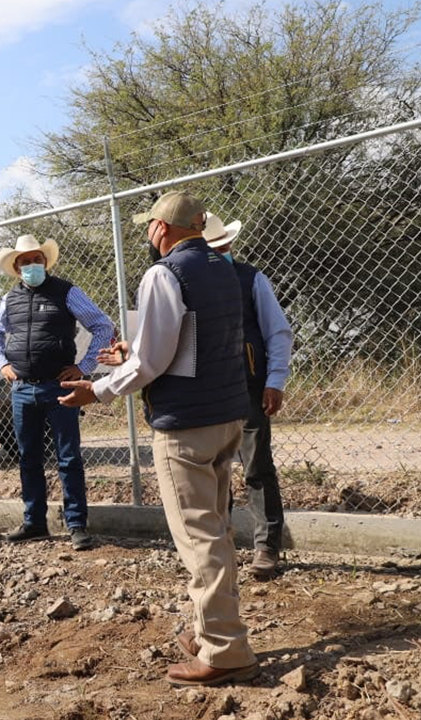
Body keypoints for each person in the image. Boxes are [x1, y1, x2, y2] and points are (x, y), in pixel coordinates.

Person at [58, 191, 259, 686]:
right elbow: (192, 343)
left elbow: (152, 363)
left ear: (160, 229)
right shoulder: (227, 271)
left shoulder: (163, 274)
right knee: (218, 530)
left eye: (148, 227)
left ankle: (225, 651)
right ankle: (209, 630)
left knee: (199, 538)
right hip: (227, 417)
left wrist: (99, 390)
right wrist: (139, 349)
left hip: (184, 427)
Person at [0, 234, 115, 550]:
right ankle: (35, 523)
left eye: (37, 259)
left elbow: (102, 325)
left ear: (45, 262)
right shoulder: (10, 299)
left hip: (59, 387)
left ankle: (76, 526)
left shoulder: (66, 291)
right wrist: (2, 362)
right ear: (17, 268)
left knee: (68, 457)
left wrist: (84, 367)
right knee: (28, 458)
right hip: (22, 389)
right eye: (26, 262)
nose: (32, 265)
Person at [204, 212, 295, 580]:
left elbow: (278, 331)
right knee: (214, 471)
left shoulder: (251, 278)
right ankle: (220, 545)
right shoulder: (190, 284)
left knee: (256, 468)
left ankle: (267, 548)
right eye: (215, 247)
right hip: (209, 393)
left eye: (224, 245)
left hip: (250, 387)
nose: (222, 251)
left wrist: (275, 380)